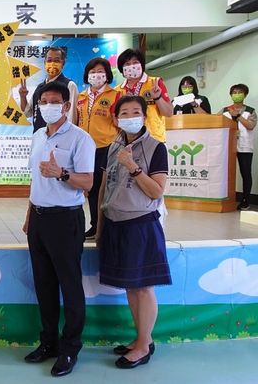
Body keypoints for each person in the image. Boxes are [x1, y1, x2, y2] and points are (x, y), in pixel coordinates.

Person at [21, 81, 95, 377]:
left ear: (66, 106)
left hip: (65, 220)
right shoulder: (38, 135)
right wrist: (30, 214)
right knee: (44, 284)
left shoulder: (81, 139)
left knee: (70, 285)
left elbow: (87, 182)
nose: (48, 106)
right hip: (38, 219)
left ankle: (70, 348)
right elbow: (35, 180)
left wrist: (61, 172)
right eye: (43, 102)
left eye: (54, 101)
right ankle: (48, 342)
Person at [96, 95, 171, 369]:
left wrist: (133, 167)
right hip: (115, 223)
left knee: (143, 287)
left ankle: (144, 345)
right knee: (130, 286)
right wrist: (100, 228)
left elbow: (157, 191)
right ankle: (141, 338)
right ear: (116, 118)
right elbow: (104, 188)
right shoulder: (113, 146)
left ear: (144, 115)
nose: (129, 116)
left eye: (135, 111)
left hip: (140, 224)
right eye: (124, 112)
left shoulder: (155, 147)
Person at [76, 57, 120, 239]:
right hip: (86, 148)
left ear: (107, 74)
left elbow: (119, 122)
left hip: (107, 147)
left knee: (108, 188)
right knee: (91, 189)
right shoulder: (81, 97)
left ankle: (108, 225)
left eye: (100, 71)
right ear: (87, 75)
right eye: (92, 72)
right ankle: (95, 225)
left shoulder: (115, 95)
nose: (96, 75)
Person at [115, 49, 173, 143]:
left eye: (135, 62)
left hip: (154, 140)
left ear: (141, 65)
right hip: (127, 141)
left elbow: (169, 113)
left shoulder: (155, 83)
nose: (131, 66)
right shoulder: (117, 90)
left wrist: (157, 98)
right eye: (127, 64)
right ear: (122, 69)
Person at [19, 47, 78, 132]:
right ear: (44, 63)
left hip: (59, 137)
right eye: (49, 60)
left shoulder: (69, 85)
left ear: (63, 63)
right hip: (39, 135)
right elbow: (27, 113)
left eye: (57, 61)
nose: (52, 63)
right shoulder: (40, 87)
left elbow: (71, 116)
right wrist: (23, 97)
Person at [219, 84, 257, 210]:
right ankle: (225, 197)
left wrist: (238, 116)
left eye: (239, 92)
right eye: (234, 92)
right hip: (227, 146)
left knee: (245, 172)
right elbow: (216, 121)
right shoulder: (225, 110)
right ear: (231, 95)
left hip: (244, 146)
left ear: (245, 95)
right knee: (225, 172)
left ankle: (245, 200)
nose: (236, 94)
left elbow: (250, 126)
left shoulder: (250, 111)